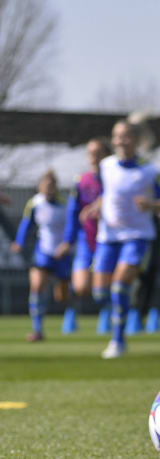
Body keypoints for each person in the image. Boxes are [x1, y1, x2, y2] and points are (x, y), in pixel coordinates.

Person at [94, 119, 160, 359]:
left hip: (137, 236)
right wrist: (96, 205)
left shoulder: (150, 171)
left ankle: (118, 340)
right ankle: (124, 302)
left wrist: (151, 205)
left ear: (137, 140)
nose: (121, 141)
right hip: (108, 236)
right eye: (116, 136)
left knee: (119, 286)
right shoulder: (105, 166)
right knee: (100, 292)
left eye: (126, 136)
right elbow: (107, 193)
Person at [11, 170, 70, 342]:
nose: (48, 188)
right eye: (45, 185)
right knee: (37, 287)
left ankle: (70, 311)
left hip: (62, 253)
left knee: (62, 296)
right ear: (40, 187)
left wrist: (67, 245)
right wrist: (19, 242)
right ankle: (38, 330)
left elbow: (71, 228)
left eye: (52, 185)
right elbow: (26, 223)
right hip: (43, 251)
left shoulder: (64, 204)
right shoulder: (34, 203)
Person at [62, 138, 108, 301]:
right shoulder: (81, 181)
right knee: (81, 287)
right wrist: (68, 241)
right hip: (86, 238)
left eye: (98, 153)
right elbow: (73, 212)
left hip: (109, 238)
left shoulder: (114, 178)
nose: (93, 157)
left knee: (102, 290)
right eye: (90, 153)